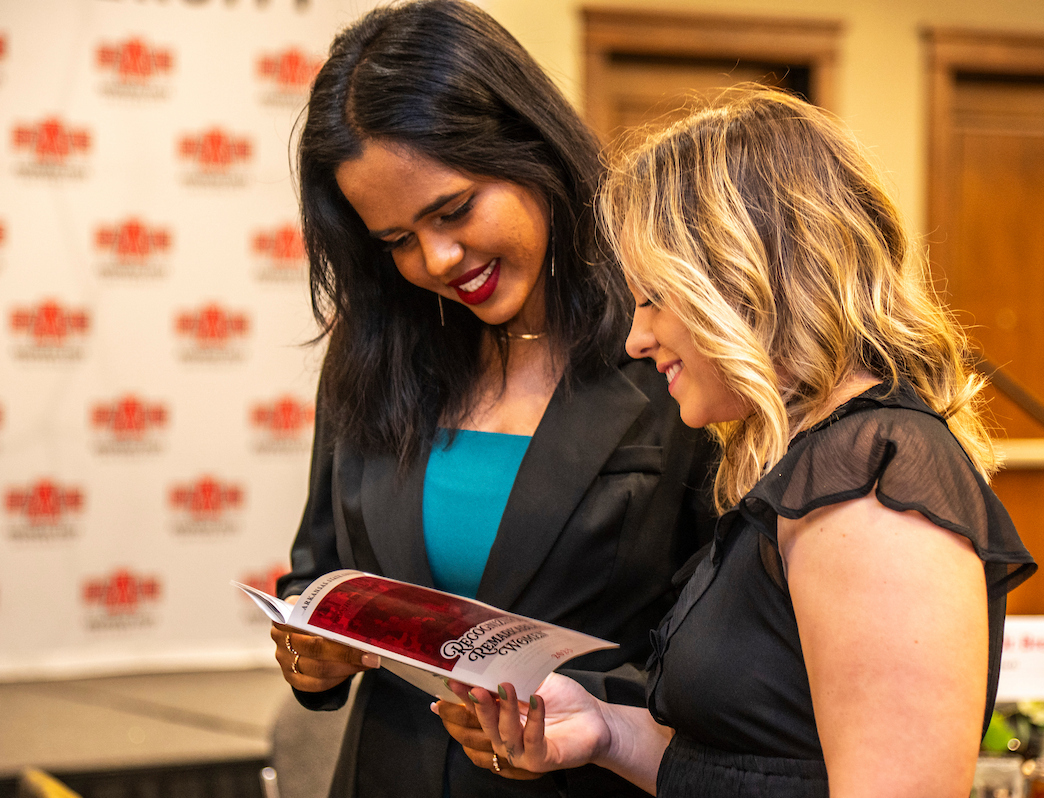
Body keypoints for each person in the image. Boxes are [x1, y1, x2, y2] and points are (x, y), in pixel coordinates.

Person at [449, 86, 1038, 797]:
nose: (637, 339)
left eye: (655, 299)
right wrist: (604, 728)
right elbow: (752, 768)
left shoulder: (874, 479)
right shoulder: (809, 463)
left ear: (741, 278)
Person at [270, 2, 716, 796]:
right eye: (396, 240)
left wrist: (589, 712)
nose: (438, 259)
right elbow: (320, 569)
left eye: (452, 211)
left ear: (531, 148)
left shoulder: (667, 346)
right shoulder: (377, 349)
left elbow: (725, 649)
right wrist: (313, 656)